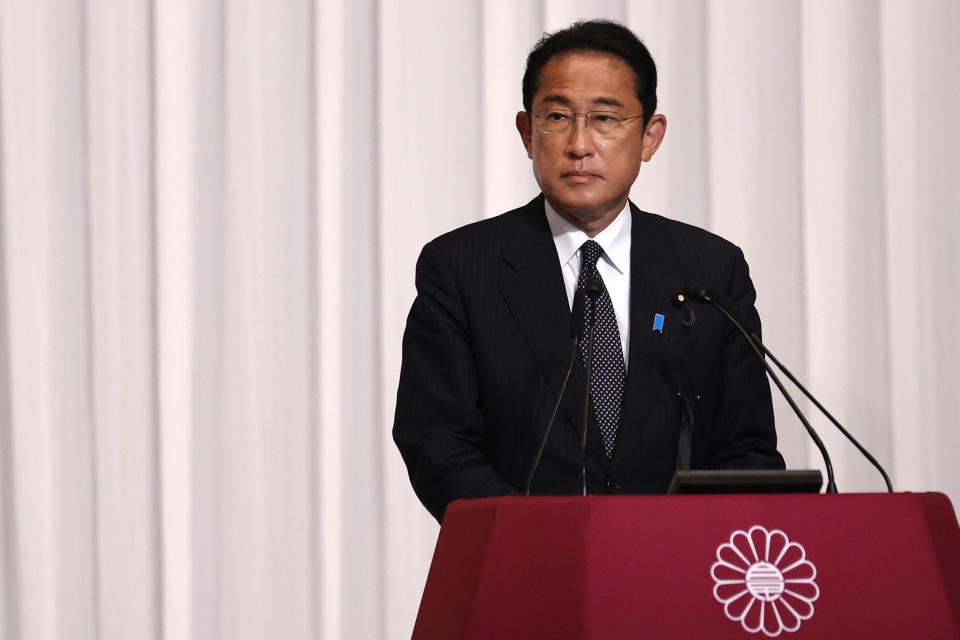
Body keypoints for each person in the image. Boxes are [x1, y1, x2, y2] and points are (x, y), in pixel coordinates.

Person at [393, 19, 784, 523]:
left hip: (676, 578)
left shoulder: (710, 269)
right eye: (557, 116)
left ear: (649, 136)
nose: (580, 144)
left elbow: (747, 449)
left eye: (605, 118)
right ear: (527, 132)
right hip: (525, 574)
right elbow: (438, 445)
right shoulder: (462, 268)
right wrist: (543, 540)